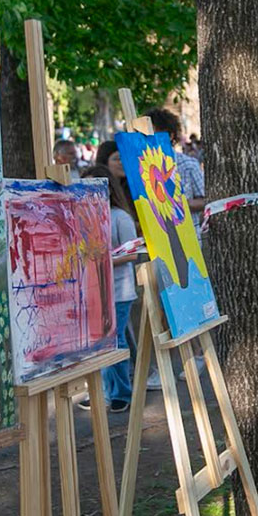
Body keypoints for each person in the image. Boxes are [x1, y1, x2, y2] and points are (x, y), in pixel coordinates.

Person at [77, 164, 138, 413]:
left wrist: (102, 260)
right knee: (99, 342)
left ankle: (121, 393)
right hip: (93, 290)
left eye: (94, 186)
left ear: (107, 187)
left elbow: (132, 253)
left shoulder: (120, 217)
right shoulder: (83, 218)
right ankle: (102, 392)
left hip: (119, 291)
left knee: (115, 340)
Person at [146, 108, 205, 213]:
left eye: (153, 134)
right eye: (145, 135)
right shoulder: (142, 166)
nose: (149, 139)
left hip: (187, 222)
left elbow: (204, 200)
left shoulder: (188, 165)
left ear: (170, 136)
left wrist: (180, 203)